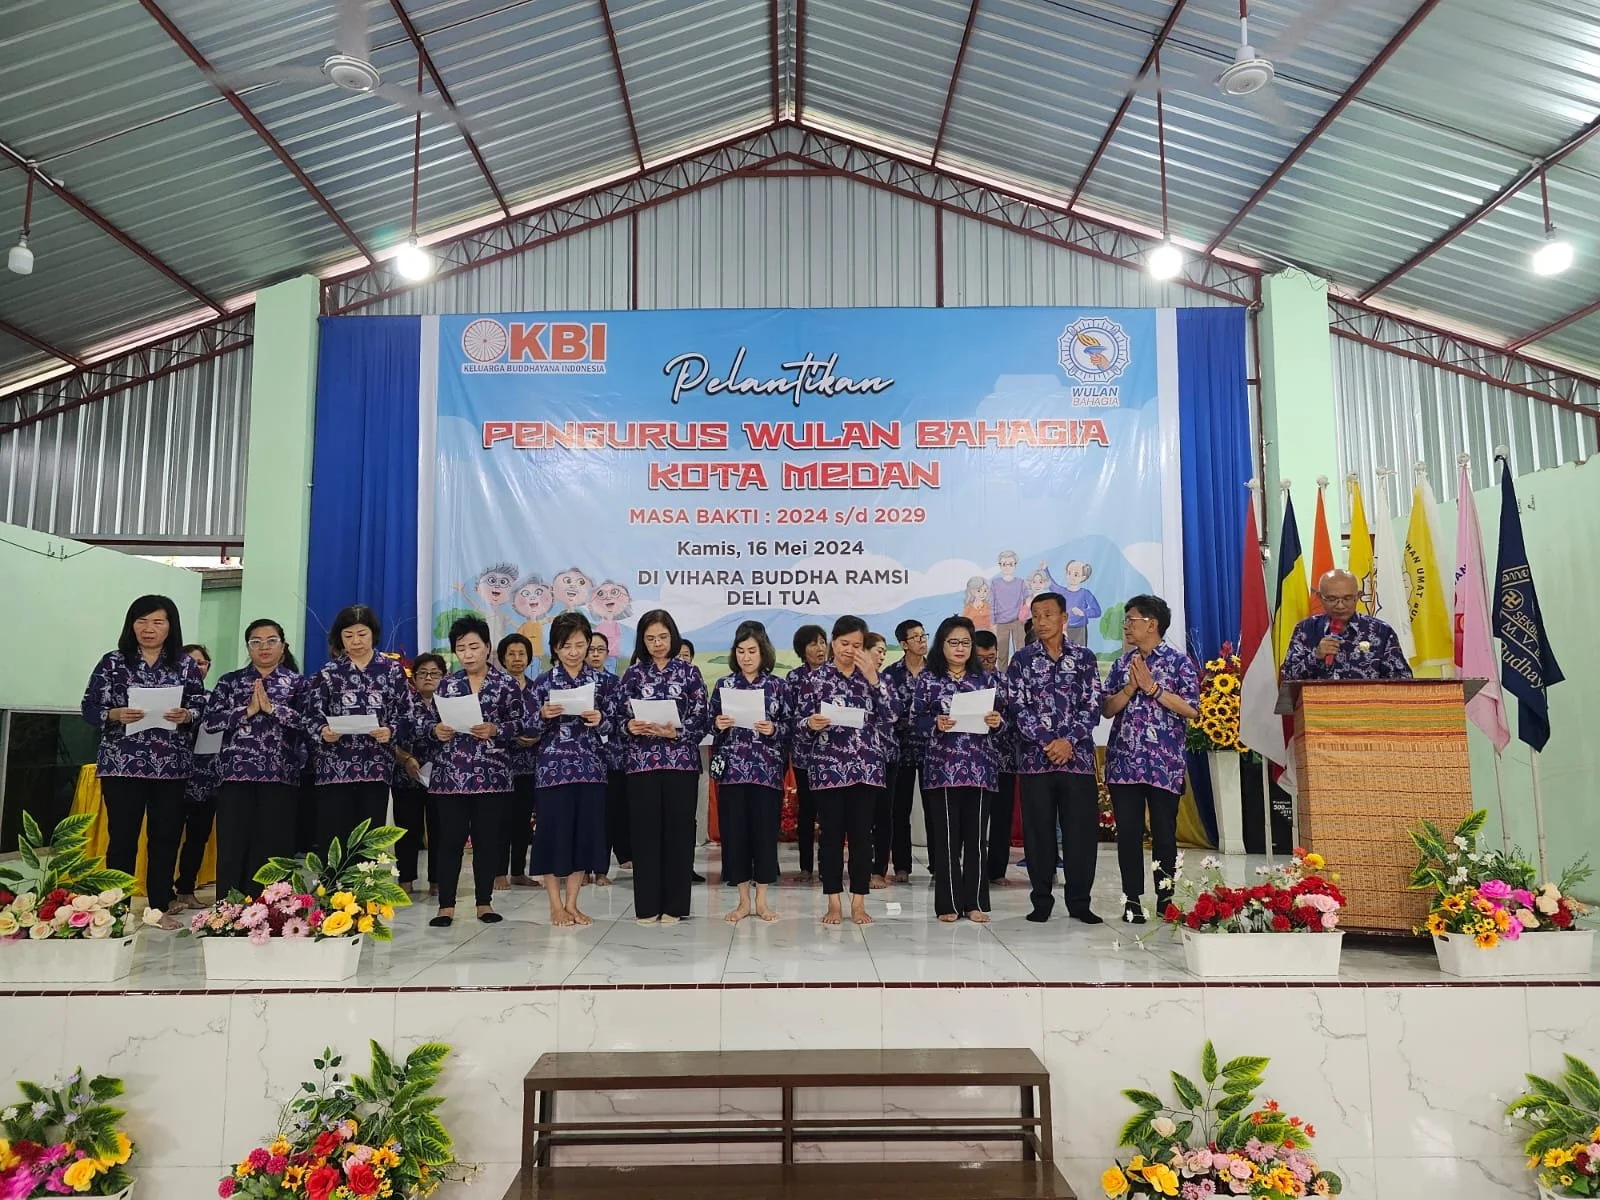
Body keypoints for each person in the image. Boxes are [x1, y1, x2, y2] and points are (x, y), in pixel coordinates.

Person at [81, 596, 206, 930]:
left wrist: (186, 715)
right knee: (122, 838)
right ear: (131, 624)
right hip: (122, 764)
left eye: (158, 622)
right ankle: (116, 909)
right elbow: (89, 707)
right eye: (142, 621)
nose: (149, 629)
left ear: (170, 627)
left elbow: (200, 705)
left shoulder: (184, 665)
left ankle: (159, 907)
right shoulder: (112, 662)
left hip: (171, 766)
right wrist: (114, 714)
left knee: (165, 838)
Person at [1004, 591, 1106, 924]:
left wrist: (1068, 741)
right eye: (1036, 615)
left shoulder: (1085, 658)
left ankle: (1079, 902)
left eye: (1048, 614)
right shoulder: (1021, 660)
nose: (1041, 621)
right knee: (1039, 834)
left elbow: (1093, 705)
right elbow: (1018, 707)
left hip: (1077, 761)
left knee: (1080, 833)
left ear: (1064, 618)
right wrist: (1049, 742)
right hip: (1036, 761)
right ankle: (1041, 900)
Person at [1102, 594, 1201, 924]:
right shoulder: (1122, 664)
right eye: (1127, 620)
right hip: (1124, 763)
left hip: (1163, 763)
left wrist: (1153, 688)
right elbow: (1106, 709)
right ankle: (1131, 900)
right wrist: (1130, 688)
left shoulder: (1178, 663)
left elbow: (1192, 710)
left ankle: (1166, 898)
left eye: (1132, 620)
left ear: (1152, 624)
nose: (1127, 626)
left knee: (1164, 834)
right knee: (1129, 835)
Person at [795, 615, 899, 926]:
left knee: (861, 837)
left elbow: (893, 717)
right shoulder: (815, 679)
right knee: (830, 837)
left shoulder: (874, 678)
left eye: (856, 645)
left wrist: (874, 680)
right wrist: (810, 724)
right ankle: (833, 902)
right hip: (827, 770)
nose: (849, 650)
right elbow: (798, 726)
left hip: (865, 768)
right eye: (844, 643)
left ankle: (859, 902)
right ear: (833, 643)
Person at [426, 616, 526, 926]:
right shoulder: (447, 684)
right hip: (450, 777)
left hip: (492, 776)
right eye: (461, 649)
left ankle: (484, 902)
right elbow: (428, 723)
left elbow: (522, 725)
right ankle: (446, 906)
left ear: (487, 647)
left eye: (473, 647)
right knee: (450, 841)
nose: (467, 654)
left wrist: (497, 729)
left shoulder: (506, 684)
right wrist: (436, 731)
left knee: (487, 841)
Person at [202, 620, 308, 900]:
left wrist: (272, 709)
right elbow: (210, 722)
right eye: (256, 642)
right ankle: (229, 910)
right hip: (235, 776)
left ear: (283, 646)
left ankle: (273, 909)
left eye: (271, 641)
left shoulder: (297, 683)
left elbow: (309, 723)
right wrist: (246, 711)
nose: (264, 647)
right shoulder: (230, 681)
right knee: (233, 845)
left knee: (274, 847)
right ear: (248, 647)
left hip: (280, 776)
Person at [527, 611, 619, 926]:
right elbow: (526, 730)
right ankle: (555, 905)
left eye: (580, 645)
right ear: (555, 647)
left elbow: (616, 725)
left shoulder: (603, 682)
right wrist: (542, 715)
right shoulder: (543, 682)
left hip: (591, 769)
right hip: (553, 771)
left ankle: (573, 903)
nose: (574, 652)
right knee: (553, 837)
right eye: (566, 646)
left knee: (584, 837)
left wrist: (600, 720)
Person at [621, 609, 711, 924]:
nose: (657, 643)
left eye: (662, 637)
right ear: (642, 641)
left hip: (680, 764)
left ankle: (675, 906)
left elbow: (702, 718)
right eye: (650, 638)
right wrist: (630, 726)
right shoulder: (633, 675)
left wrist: (677, 732)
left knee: (678, 834)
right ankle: (647, 906)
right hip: (641, 765)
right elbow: (617, 717)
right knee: (645, 834)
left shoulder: (689, 673)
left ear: (672, 636)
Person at [914, 616, 1006, 923]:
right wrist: (935, 723)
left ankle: (976, 903)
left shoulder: (987, 680)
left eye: (965, 643)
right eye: (953, 642)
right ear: (941, 645)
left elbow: (1004, 724)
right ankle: (948, 904)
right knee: (947, 841)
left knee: (976, 840)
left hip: (980, 769)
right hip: (942, 771)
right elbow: (915, 721)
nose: (960, 648)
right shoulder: (929, 679)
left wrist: (997, 722)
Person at [307, 605, 408, 855]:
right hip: (335, 768)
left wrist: (391, 730)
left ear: (373, 634)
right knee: (334, 839)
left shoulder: (392, 670)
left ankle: (368, 881)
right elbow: (309, 716)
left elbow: (408, 714)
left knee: (371, 840)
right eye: (348, 635)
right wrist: (323, 730)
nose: (356, 641)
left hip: (375, 767)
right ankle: (333, 881)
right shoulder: (328, 673)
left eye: (362, 634)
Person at [710, 620, 790, 923]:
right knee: (736, 836)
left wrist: (774, 728)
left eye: (752, 651)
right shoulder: (724, 685)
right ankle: (743, 901)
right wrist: (718, 724)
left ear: (763, 651)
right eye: (741, 651)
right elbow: (708, 722)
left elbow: (792, 726)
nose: (746, 657)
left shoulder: (777, 686)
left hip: (766, 772)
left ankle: (762, 901)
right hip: (732, 772)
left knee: (764, 836)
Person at [1282, 569, 1413, 681]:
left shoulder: (1381, 631)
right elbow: (1287, 678)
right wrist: (1315, 656)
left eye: (1347, 598)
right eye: (1332, 599)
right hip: (1317, 703)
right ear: (1320, 597)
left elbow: (1403, 678)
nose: (1340, 605)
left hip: (1368, 702)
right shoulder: (1305, 630)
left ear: (1358, 596)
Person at [877, 618, 928, 886]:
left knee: (935, 810)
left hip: (933, 751)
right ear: (904, 643)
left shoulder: (936, 671)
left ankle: (939, 863)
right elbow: (887, 712)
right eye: (916, 637)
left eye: (924, 635)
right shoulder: (891, 674)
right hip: (900, 750)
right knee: (900, 810)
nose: (922, 641)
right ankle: (902, 866)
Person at [391, 653, 445, 895]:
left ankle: (437, 881)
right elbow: (390, 736)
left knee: (440, 829)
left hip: (441, 777)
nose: (428, 677)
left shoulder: (448, 704)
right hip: (406, 775)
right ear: (413, 678)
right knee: (407, 830)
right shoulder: (404, 703)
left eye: (434, 673)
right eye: (422, 673)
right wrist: (405, 759)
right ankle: (406, 880)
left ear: (443, 677)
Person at [173, 643, 220, 911]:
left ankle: (186, 888)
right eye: (189, 662)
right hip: (174, 776)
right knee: (168, 835)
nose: (195, 668)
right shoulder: (171, 698)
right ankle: (162, 891)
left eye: (201, 663)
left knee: (198, 837)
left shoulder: (215, 698)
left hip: (207, 779)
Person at [973, 629, 1018, 885]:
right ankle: (974, 869)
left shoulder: (1006, 683)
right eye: (982, 659)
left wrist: (1001, 722)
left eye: (992, 658)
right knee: (975, 820)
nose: (988, 664)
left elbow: (1017, 719)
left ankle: (997, 870)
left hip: (1004, 761)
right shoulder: (966, 683)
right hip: (975, 762)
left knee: (1001, 818)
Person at [498, 632, 541, 889]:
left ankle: (517, 871)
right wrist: (513, 736)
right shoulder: (497, 687)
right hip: (502, 767)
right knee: (501, 821)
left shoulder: (537, 689)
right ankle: (498, 873)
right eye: (511, 654)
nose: (517, 659)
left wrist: (536, 737)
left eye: (521, 654)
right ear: (503, 658)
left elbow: (546, 721)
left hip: (530, 766)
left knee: (524, 821)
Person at [786, 625, 829, 882]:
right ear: (802, 650)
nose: (820, 648)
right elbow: (789, 715)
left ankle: (827, 865)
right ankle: (805, 866)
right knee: (806, 811)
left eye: (823, 642)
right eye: (813, 643)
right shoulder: (794, 678)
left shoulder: (834, 674)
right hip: (804, 755)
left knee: (829, 813)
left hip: (831, 756)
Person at [589, 630, 630, 875]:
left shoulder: (615, 683)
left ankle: (602, 869)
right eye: (591, 649)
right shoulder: (576, 681)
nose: (595, 654)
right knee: (590, 816)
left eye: (600, 650)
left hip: (613, 757)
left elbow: (621, 719)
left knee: (612, 812)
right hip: (584, 759)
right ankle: (586, 868)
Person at [989, 552, 1029, 667]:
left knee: (1021, 650)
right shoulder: (995, 583)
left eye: (1010, 564)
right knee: (1002, 652)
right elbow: (992, 603)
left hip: (1018, 621)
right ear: (1000, 565)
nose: (1007, 567)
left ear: (1015, 565)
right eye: (1004, 564)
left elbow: (1027, 601)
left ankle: (1021, 672)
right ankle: (1002, 674)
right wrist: (993, 622)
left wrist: (1025, 618)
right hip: (1001, 622)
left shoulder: (1020, 583)